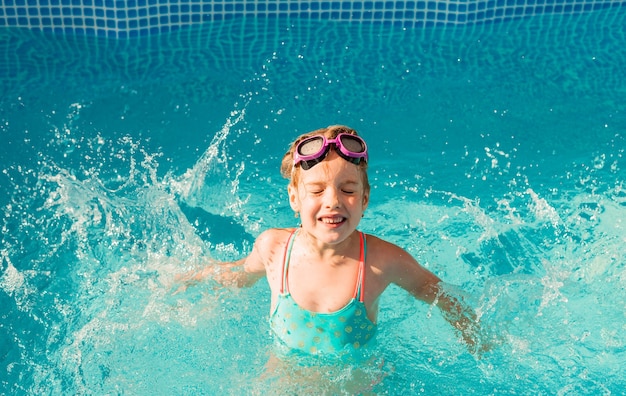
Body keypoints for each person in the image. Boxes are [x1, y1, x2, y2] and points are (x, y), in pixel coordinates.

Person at [176, 125, 488, 357]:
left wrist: (475, 335)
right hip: (283, 385)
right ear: (294, 198)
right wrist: (189, 280)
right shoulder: (275, 249)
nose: (333, 202)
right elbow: (238, 275)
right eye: (316, 191)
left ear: (365, 199)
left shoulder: (380, 261)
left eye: (348, 190)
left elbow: (431, 290)